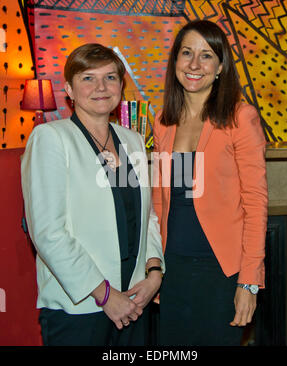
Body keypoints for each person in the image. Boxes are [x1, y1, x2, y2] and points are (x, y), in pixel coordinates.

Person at [21, 43, 164, 346]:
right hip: (81, 307)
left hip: (135, 301)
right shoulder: (52, 138)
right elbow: (48, 233)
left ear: (120, 86)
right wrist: (106, 295)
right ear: (70, 90)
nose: (101, 87)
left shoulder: (133, 140)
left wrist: (154, 273)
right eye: (88, 78)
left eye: (110, 77)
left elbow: (147, 217)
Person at [152, 20, 268, 346]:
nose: (194, 64)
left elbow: (256, 205)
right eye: (187, 53)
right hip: (173, 268)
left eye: (206, 56)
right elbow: (163, 201)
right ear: (175, 61)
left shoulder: (240, 117)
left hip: (222, 272)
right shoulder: (163, 122)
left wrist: (249, 283)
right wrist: (155, 268)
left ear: (220, 67)